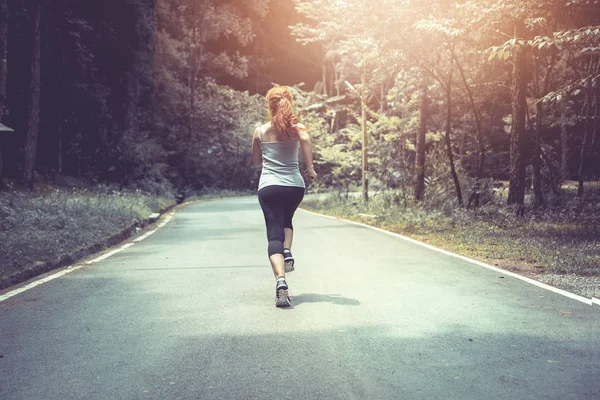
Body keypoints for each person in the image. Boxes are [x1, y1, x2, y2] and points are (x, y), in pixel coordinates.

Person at [251, 86, 318, 308]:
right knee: (287, 219)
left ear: (269, 105)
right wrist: (309, 168)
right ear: (290, 103)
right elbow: (306, 140)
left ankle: (281, 281)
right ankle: (287, 251)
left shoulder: (260, 131)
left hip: (270, 187)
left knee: (273, 236)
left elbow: (257, 162)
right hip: (294, 187)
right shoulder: (297, 129)